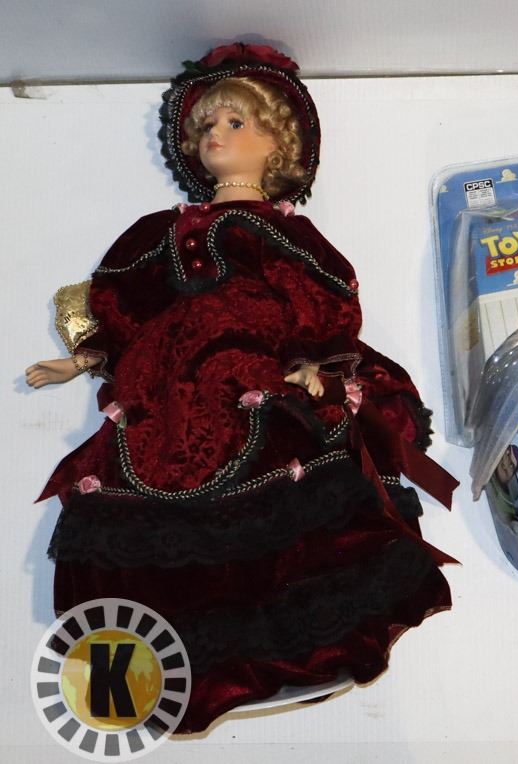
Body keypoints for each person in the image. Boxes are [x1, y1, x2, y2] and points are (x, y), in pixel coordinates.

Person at [25, 43, 456, 733]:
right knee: (137, 497)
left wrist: (315, 366)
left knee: (278, 498)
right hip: (163, 397)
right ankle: (156, 664)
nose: (216, 137)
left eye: (235, 123)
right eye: (206, 127)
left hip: (251, 381)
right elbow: (126, 307)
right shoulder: (156, 234)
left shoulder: (286, 235)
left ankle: (280, 649)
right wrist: (82, 359)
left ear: (277, 144)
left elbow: (321, 306)